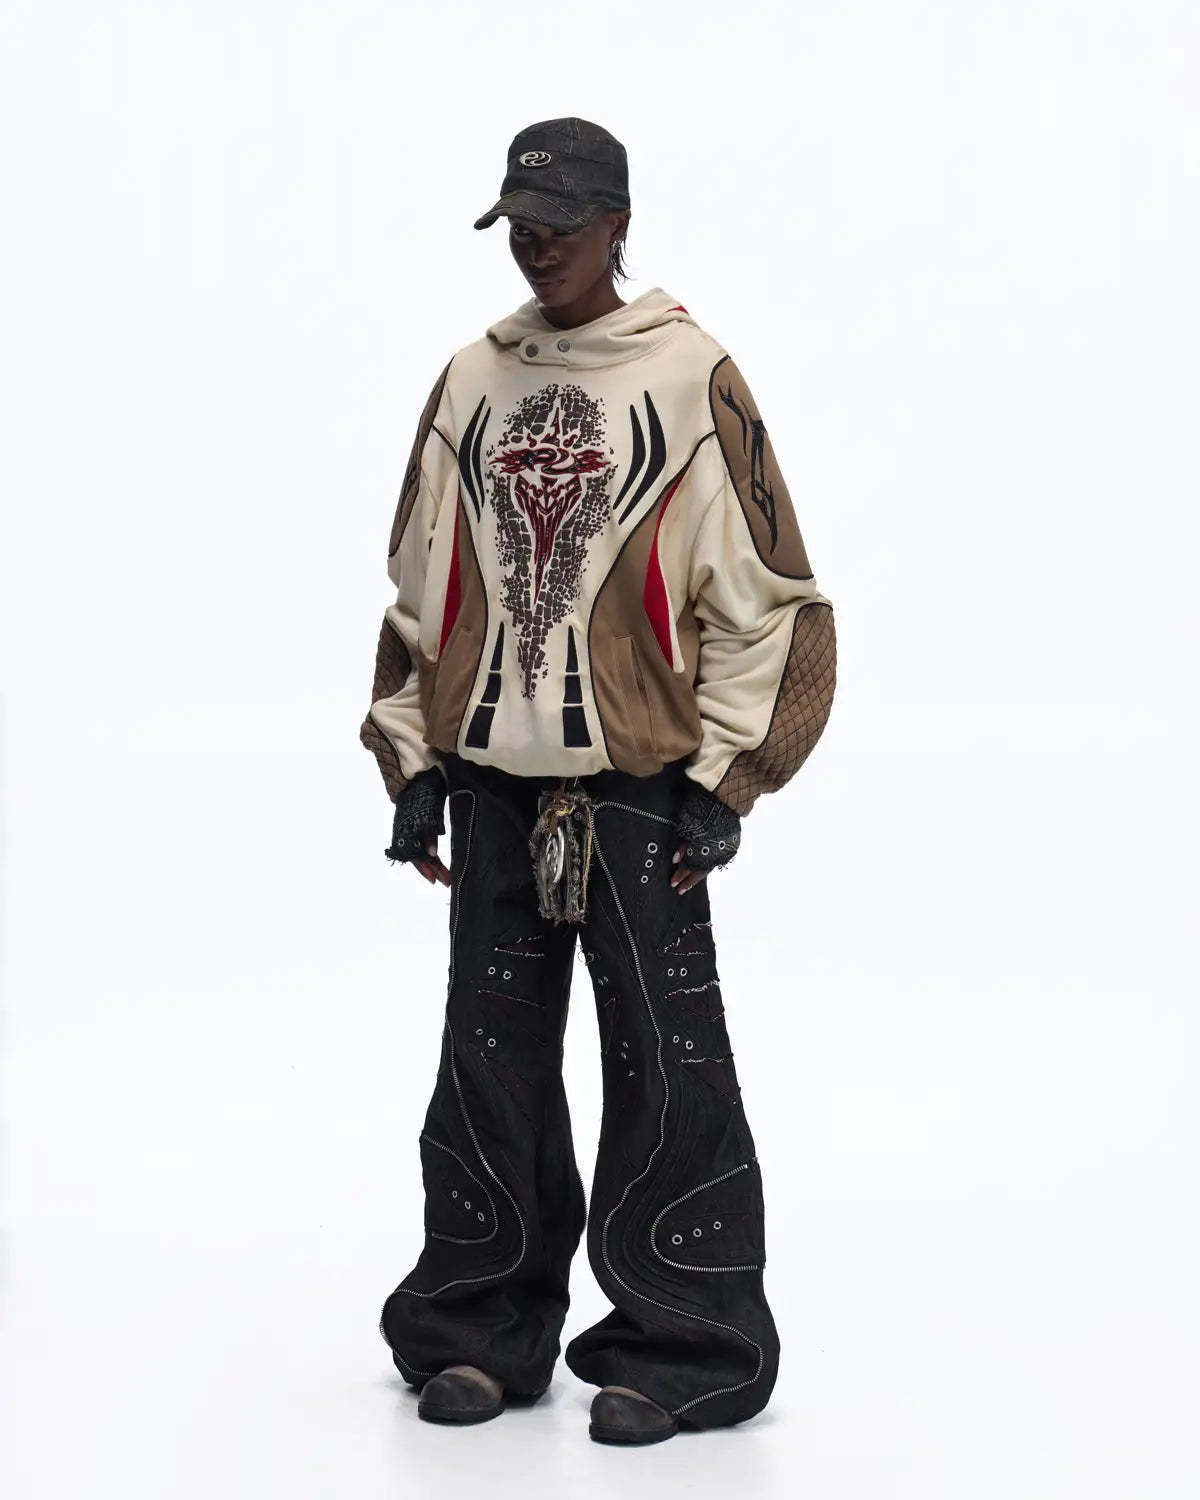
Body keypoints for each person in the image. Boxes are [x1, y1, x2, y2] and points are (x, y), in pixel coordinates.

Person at [359, 117, 836, 1445]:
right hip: (492, 779)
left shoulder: (689, 377)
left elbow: (770, 595)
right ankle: (477, 1327)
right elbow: (418, 587)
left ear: (619, 223)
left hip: (638, 785)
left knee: (667, 1059)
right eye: (522, 221)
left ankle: (688, 1342)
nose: (539, 244)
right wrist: (412, 759)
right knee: (487, 1060)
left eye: (564, 222)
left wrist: (727, 782)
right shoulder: (471, 380)